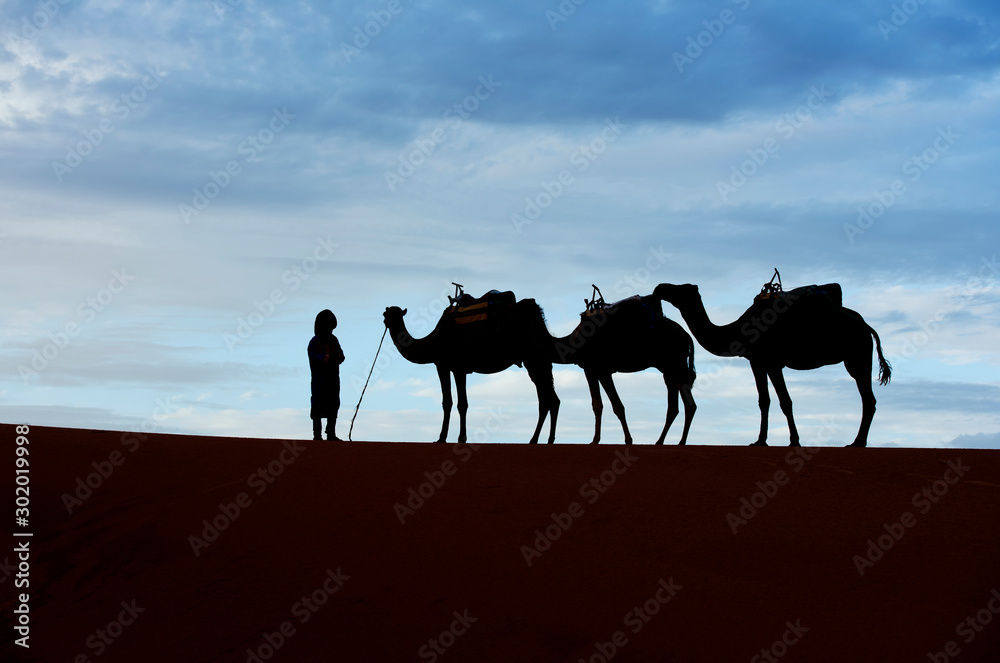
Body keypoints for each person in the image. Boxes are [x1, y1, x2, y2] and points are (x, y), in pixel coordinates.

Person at [308, 309, 345, 441]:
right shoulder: (314, 342)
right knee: (317, 404)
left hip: (333, 379)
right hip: (319, 379)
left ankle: (331, 433)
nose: (330, 331)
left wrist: (335, 357)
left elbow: (341, 356)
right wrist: (324, 357)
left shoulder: (333, 340)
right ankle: (317, 435)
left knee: (333, 403)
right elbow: (313, 356)